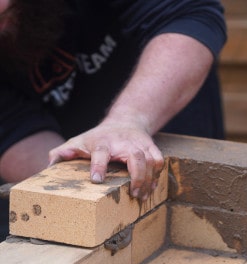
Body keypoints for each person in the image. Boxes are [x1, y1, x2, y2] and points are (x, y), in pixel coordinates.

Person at [0, 0, 227, 240]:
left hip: (170, 133)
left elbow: (188, 15)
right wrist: (76, 185)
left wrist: (127, 121)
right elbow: (12, 130)